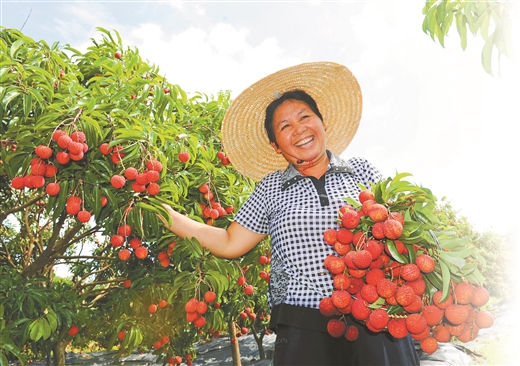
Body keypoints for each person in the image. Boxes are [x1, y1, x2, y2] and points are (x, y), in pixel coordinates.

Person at [160, 62, 420, 366]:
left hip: (375, 315)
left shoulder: (361, 171)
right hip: (303, 324)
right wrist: (167, 215)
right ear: (275, 146)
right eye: (284, 127)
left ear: (322, 122)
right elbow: (230, 242)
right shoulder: (271, 188)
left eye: (305, 117)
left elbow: (401, 230)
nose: (298, 129)